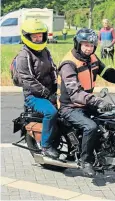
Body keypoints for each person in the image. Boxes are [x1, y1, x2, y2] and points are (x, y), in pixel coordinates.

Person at [58, 28, 115, 176]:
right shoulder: (68, 64)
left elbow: (108, 73)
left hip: (86, 102)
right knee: (91, 127)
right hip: (70, 106)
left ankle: (108, 148)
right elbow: (75, 93)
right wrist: (97, 102)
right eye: (85, 44)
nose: (89, 48)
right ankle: (85, 160)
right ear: (78, 44)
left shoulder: (92, 58)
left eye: (92, 45)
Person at [16, 19, 59, 159]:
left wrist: (57, 85)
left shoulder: (45, 51)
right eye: (34, 36)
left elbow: (53, 69)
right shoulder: (24, 55)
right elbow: (27, 79)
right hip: (33, 96)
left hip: (48, 92)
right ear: (27, 37)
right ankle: (45, 146)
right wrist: (46, 93)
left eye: (40, 35)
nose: (38, 38)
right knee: (51, 112)